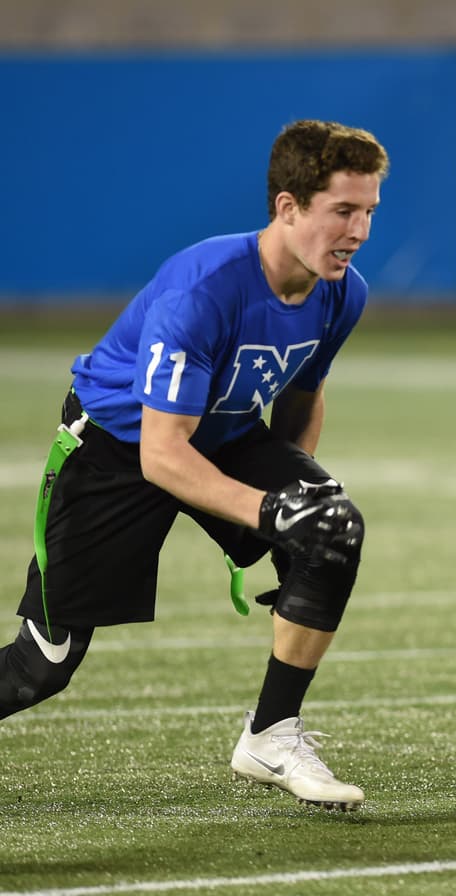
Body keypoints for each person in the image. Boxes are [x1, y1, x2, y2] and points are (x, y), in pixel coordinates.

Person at [0, 120, 389, 811]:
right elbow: (161, 453)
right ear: (288, 207)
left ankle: (271, 734)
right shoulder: (203, 290)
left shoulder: (342, 291)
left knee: (331, 529)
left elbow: (302, 397)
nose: (358, 231)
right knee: (42, 666)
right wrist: (269, 512)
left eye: (368, 212)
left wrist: (296, 514)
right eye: (343, 211)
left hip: (227, 431)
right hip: (118, 446)